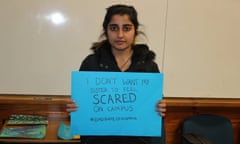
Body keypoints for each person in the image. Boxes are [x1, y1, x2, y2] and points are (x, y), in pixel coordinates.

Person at [67, 4, 167, 144]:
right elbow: (82, 110)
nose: (120, 35)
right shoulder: (91, 64)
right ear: (106, 31)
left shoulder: (149, 66)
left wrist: (160, 107)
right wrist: (74, 108)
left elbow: (156, 108)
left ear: (135, 31)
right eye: (114, 28)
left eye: (126, 28)